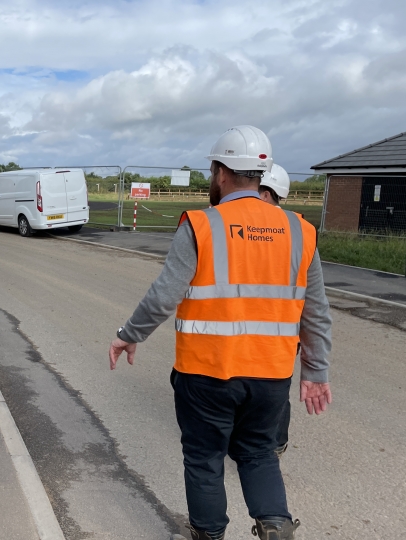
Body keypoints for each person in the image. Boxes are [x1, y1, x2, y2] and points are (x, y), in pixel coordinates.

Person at [108, 126, 332, 540]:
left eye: (213, 171)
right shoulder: (300, 230)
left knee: (205, 459)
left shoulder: (200, 224)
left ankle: (209, 535)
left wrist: (129, 334)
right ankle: (277, 527)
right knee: (259, 454)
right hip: (270, 375)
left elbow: (163, 296)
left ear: (221, 172)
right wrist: (316, 372)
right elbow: (316, 312)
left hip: (205, 372)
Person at [260, 164, 293, 458]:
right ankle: (273, 443)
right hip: (286, 328)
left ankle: (273, 443)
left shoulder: (261, 232)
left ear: (267, 193)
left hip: (272, 326)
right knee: (275, 388)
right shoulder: (296, 230)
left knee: (272, 392)